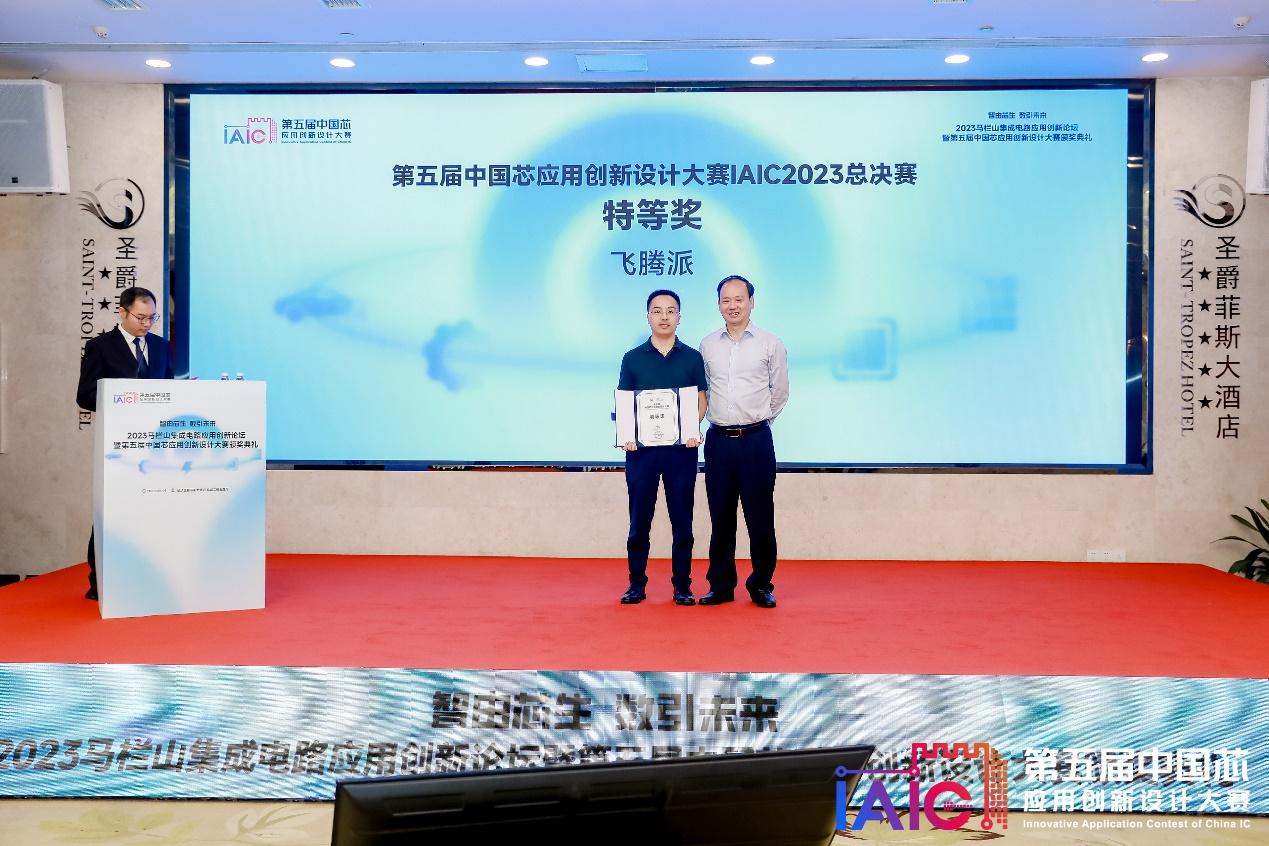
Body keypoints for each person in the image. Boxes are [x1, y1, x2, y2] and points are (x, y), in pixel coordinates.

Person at [76, 286, 175, 600]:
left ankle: (147, 575)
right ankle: (100, 580)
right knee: (110, 512)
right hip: (117, 447)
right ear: (122, 312)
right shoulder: (100, 346)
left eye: (152, 318)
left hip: (154, 447)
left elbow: (168, 389)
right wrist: (123, 397)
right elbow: (85, 395)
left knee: (150, 511)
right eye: (141, 317)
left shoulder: (161, 347)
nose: (147, 324)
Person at [697, 275, 788, 609]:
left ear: (752, 302)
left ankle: (761, 584)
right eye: (726, 300)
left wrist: (757, 422)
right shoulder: (707, 344)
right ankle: (721, 585)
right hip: (718, 442)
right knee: (721, 518)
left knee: (760, 517)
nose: (732, 306)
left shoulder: (770, 343)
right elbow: (704, 391)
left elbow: (780, 392)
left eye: (739, 299)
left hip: (755, 441)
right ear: (718, 304)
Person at [616, 289, 709, 606]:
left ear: (679, 316)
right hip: (641, 454)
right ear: (648, 317)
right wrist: (627, 434)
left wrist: (692, 428)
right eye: (657, 311)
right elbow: (625, 403)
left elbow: (701, 399)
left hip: (682, 452)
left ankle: (682, 586)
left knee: (682, 523)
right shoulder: (632, 358)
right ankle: (636, 585)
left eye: (671, 311)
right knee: (638, 522)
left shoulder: (692, 357)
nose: (664, 316)